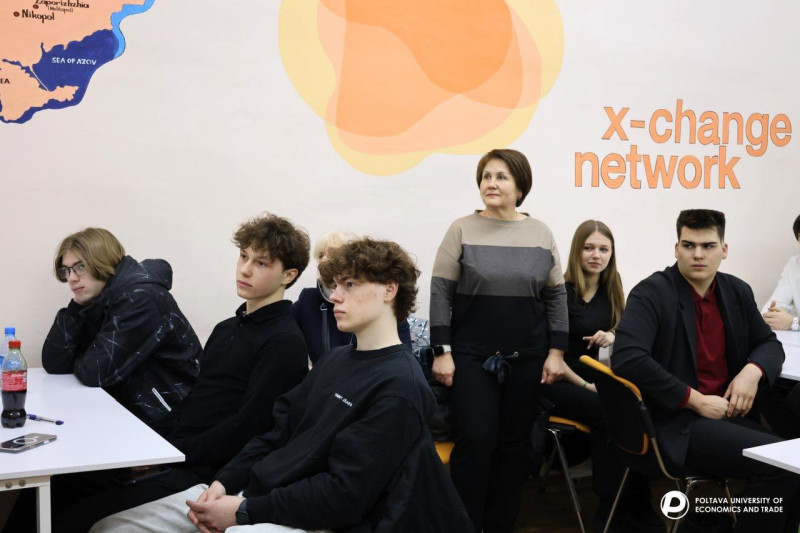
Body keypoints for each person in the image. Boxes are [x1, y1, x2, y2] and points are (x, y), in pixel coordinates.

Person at [91, 238, 473, 533]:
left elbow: (344, 496)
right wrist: (224, 482)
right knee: (111, 527)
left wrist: (243, 512)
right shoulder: (334, 361)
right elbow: (276, 432)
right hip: (258, 493)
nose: (335, 296)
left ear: (389, 289)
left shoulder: (400, 385)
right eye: (334, 285)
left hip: (314, 516)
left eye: (350, 284)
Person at [46, 213, 312, 532]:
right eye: (243, 256)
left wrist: (170, 455)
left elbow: (249, 426)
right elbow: (196, 402)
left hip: (207, 471)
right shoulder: (227, 328)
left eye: (261, 263)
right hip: (175, 452)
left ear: (288, 275)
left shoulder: (284, 341)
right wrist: (156, 451)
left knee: (75, 518)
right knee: (58, 486)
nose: (245, 269)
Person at [612, 209, 800, 533]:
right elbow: (627, 358)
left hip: (726, 418)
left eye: (708, 246)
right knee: (783, 465)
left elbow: (769, 344)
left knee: (791, 460)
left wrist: (752, 371)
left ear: (724, 250)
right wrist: (694, 400)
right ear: (676, 249)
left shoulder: (736, 291)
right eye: (689, 245)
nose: (698, 254)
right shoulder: (651, 293)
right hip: (676, 423)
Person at [429, 148, 568, 533]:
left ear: (520, 187)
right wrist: (442, 351)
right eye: (486, 176)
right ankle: (464, 525)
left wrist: (556, 352)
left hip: (528, 357)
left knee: (514, 446)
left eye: (501, 176)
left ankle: (499, 525)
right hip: (472, 357)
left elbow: (556, 296)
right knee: (475, 440)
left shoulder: (540, 233)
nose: (491, 183)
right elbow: (440, 292)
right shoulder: (461, 229)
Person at [540, 220, 662, 532]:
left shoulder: (612, 285)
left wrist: (612, 334)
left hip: (591, 378)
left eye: (604, 249)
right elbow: (550, 357)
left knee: (635, 410)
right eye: (589, 248)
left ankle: (636, 504)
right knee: (611, 414)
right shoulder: (560, 291)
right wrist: (587, 385)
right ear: (576, 251)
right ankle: (611, 510)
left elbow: (625, 324)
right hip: (556, 380)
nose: (597, 255)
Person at [42, 227, 201, 432]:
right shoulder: (100, 300)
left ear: (103, 261)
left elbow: (94, 372)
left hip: (172, 421)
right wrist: (76, 307)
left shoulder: (140, 299)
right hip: (130, 415)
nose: (71, 278)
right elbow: (54, 363)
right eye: (67, 270)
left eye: (80, 267)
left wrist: (82, 358)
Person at [291, 231, 411, 364]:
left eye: (334, 252)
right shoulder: (308, 299)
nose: (325, 259)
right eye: (321, 255)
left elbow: (400, 359)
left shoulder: (383, 311)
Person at [762, 214, 800, 330]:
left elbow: (791, 322)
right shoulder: (794, 264)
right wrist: (773, 316)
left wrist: (794, 322)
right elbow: (768, 311)